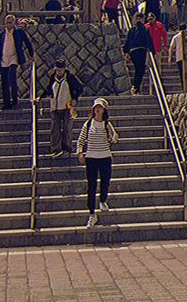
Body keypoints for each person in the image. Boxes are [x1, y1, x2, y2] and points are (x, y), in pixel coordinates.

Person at [76, 97, 119, 228]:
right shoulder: (88, 124)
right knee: (92, 186)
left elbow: (114, 139)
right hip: (91, 157)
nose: (97, 110)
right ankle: (91, 213)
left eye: (100, 107)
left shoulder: (107, 124)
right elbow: (81, 139)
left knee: (105, 181)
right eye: (96, 108)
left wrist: (113, 136)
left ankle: (102, 200)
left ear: (104, 110)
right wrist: (80, 152)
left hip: (105, 156)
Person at [40, 59, 82, 157]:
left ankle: (67, 147)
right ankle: (55, 148)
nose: (59, 72)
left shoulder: (69, 78)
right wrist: (40, 97)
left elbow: (79, 88)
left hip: (67, 106)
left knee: (67, 128)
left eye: (61, 70)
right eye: (58, 70)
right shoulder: (53, 78)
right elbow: (49, 89)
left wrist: (74, 98)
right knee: (55, 128)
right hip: (55, 107)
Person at [0, 14, 35, 110]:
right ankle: (7, 103)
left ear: (14, 22)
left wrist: (31, 54)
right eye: (7, 23)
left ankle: (15, 100)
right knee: (4, 81)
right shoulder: (2, 35)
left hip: (14, 57)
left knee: (12, 77)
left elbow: (27, 43)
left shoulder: (19, 32)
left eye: (10, 22)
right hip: (3, 59)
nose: (8, 25)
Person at [123, 13, 154, 94]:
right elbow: (148, 40)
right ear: (143, 19)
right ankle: (136, 87)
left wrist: (126, 51)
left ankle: (136, 87)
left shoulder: (132, 30)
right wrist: (152, 51)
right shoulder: (144, 29)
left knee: (137, 69)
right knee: (140, 69)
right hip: (141, 50)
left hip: (133, 51)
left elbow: (127, 41)